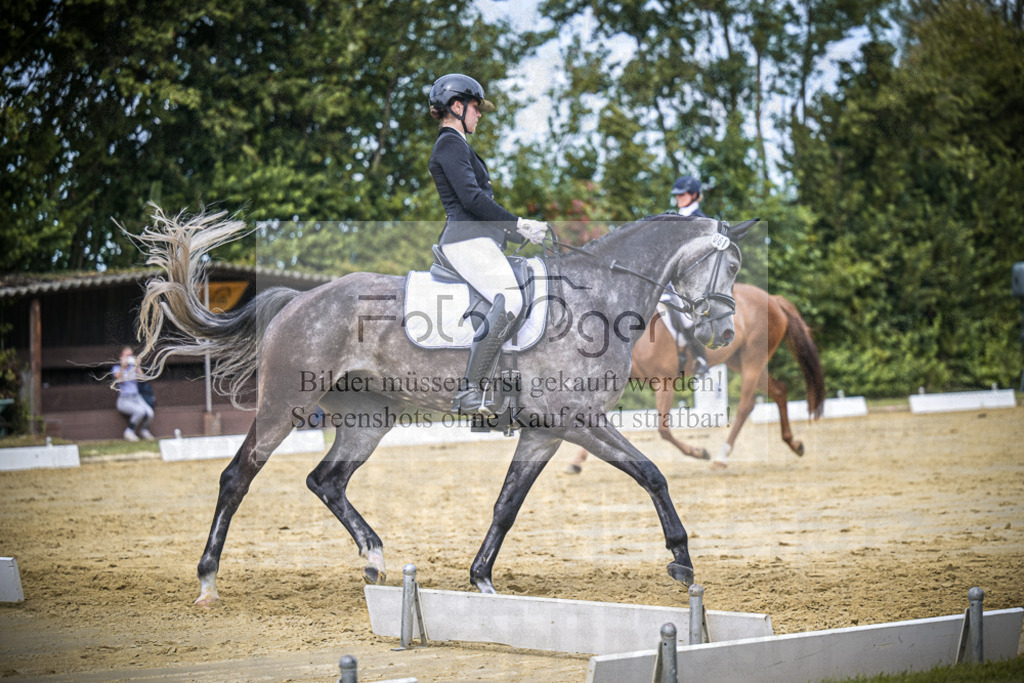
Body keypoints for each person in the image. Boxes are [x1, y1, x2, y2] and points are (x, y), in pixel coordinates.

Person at [427, 73, 547, 417]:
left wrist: (516, 233)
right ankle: (469, 392)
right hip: (465, 241)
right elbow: (471, 198)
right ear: (457, 106)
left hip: (478, 238)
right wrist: (518, 224)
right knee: (510, 298)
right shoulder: (450, 144)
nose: (479, 115)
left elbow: (477, 204)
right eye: (476, 108)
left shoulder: (458, 145)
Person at [666, 175, 709, 378]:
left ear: (693, 195)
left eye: (682, 194)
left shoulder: (701, 220)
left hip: (691, 276)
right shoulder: (674, 217)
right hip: (670, 274)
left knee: (685, 316)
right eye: (677, 195)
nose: (678, 198)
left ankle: (701, 359)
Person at [112, 345, 155, 441]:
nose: (129, 357)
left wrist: (138, 365)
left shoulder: (133, 368)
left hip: (136, 397)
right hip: (124, 399)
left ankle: (144, 430)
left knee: (150, 413)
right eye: (127, 355)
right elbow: (119, 380)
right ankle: (129, 432)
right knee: (140, 411)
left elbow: (142, 378)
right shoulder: (116, 368)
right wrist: (123, 367)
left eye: (130, 355)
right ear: (121, 356)